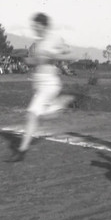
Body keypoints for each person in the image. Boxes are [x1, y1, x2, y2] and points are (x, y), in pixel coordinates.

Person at [7, 13, 75, 162]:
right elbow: (38, 60)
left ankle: (21, 151)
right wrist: (28, 60)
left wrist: (53, 55)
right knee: (41, 114)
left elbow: (69, 53)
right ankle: (62, 103)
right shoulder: (38, 42)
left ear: (44, 26)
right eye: (33, 26)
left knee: (31, 114)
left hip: (50, 83)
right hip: (40, 84)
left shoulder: (54, 38)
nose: (34, 29)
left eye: (36, 26)